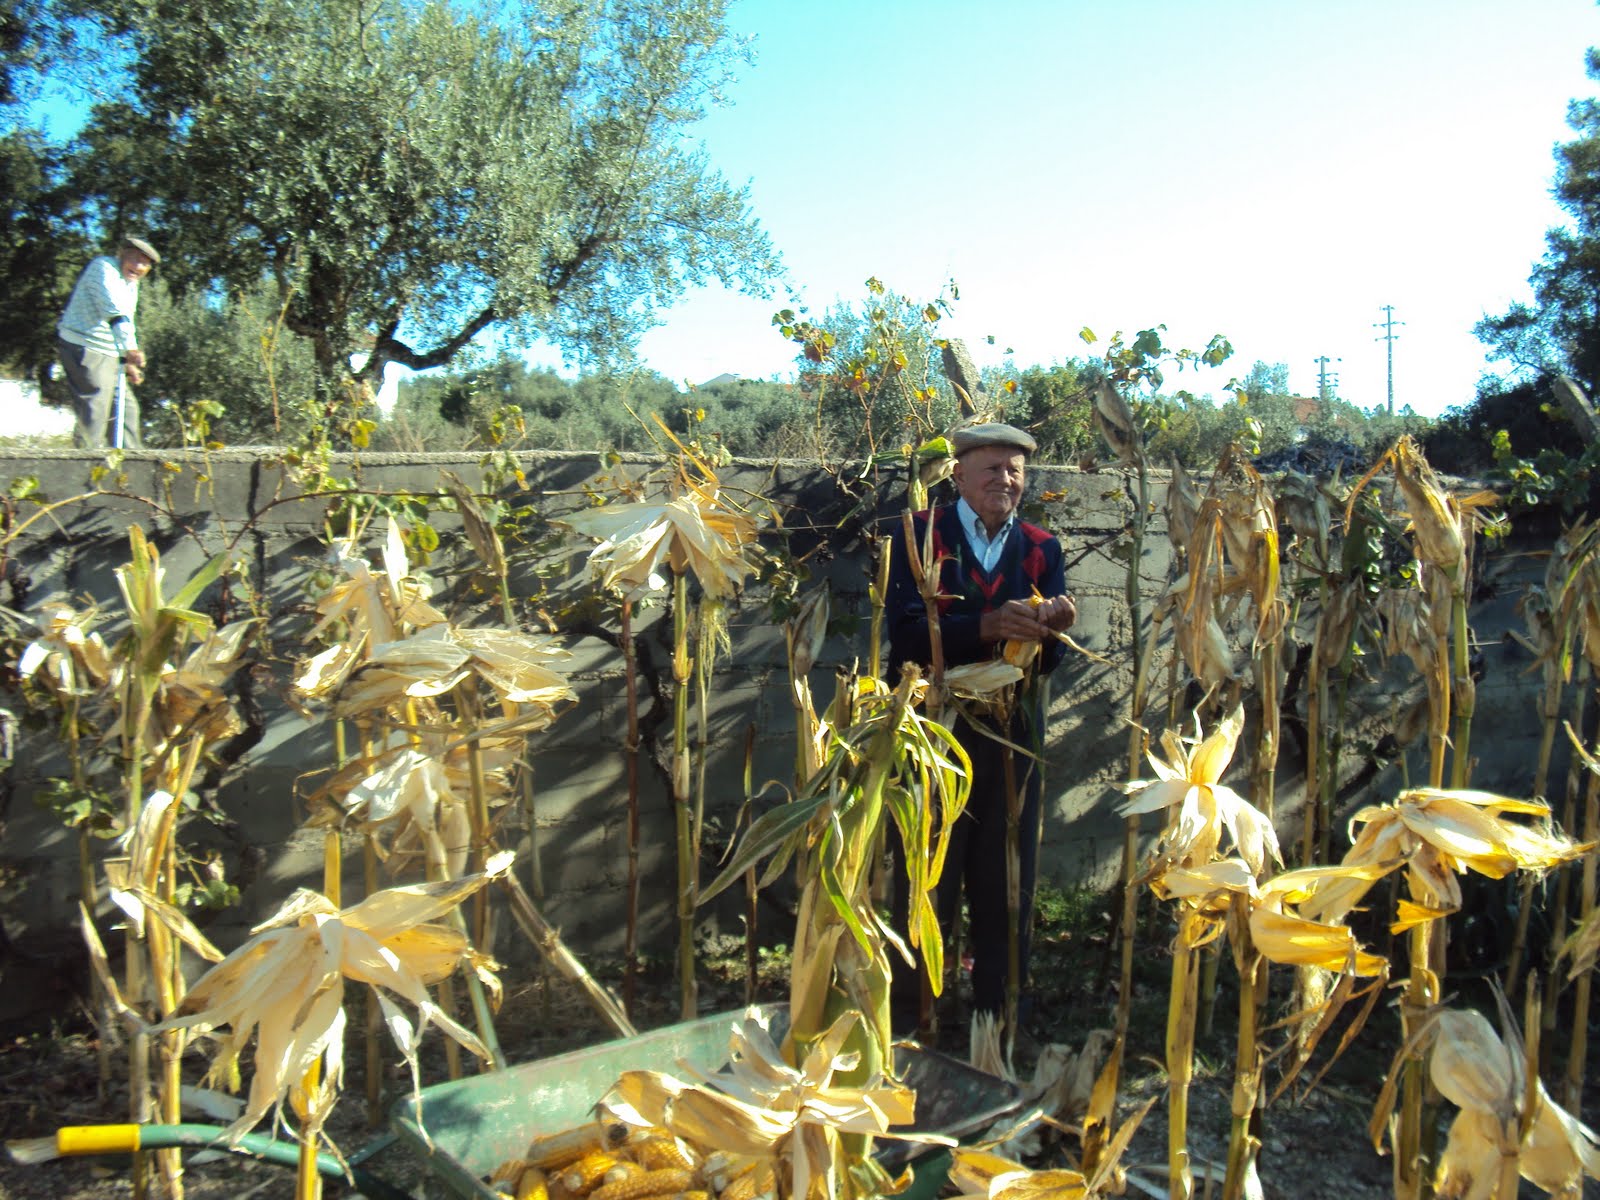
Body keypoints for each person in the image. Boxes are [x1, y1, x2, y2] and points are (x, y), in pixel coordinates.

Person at [886, 421, 1077, 1027]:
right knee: (928, 866)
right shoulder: (918, 534)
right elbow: (905, 636)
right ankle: (917, 1013)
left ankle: (999, 1012)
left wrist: (1054, 630)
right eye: (992, 468)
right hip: (934, 726)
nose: (1005, 479)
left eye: (1015, 470)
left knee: (1006, 871)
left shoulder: (1042, 547)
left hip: (1013, 730)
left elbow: (1049, 661)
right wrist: (987, 627)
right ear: (960, 475)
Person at [56, 236, 159, 449]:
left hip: (110, 352)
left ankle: (130, 466)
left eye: (144, 263)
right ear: (121, 255)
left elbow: (127, 320)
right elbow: (113, 311)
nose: (138, 267)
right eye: (134, 259)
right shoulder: (103, 268)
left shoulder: (131, 283)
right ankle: (85, 465)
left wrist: (126, 361)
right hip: (85, 347)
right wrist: (130, 349)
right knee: (95, 409)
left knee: (127, 411)